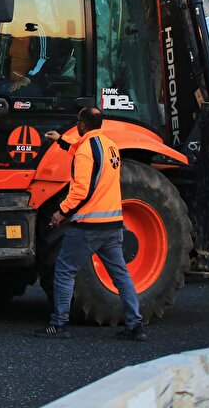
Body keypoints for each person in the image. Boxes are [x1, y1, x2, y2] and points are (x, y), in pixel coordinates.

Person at [35, 107, 147, 340]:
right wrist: (62, 141)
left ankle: (58, 324)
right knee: (121, 275)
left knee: (64, 271)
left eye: (78, 122)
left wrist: (61, 213)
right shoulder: (111, 145)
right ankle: (135, 326)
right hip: (113, 224)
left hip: (88, 225)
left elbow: (81, 191)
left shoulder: (85, 151)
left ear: (83, 125)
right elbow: (87, 153)